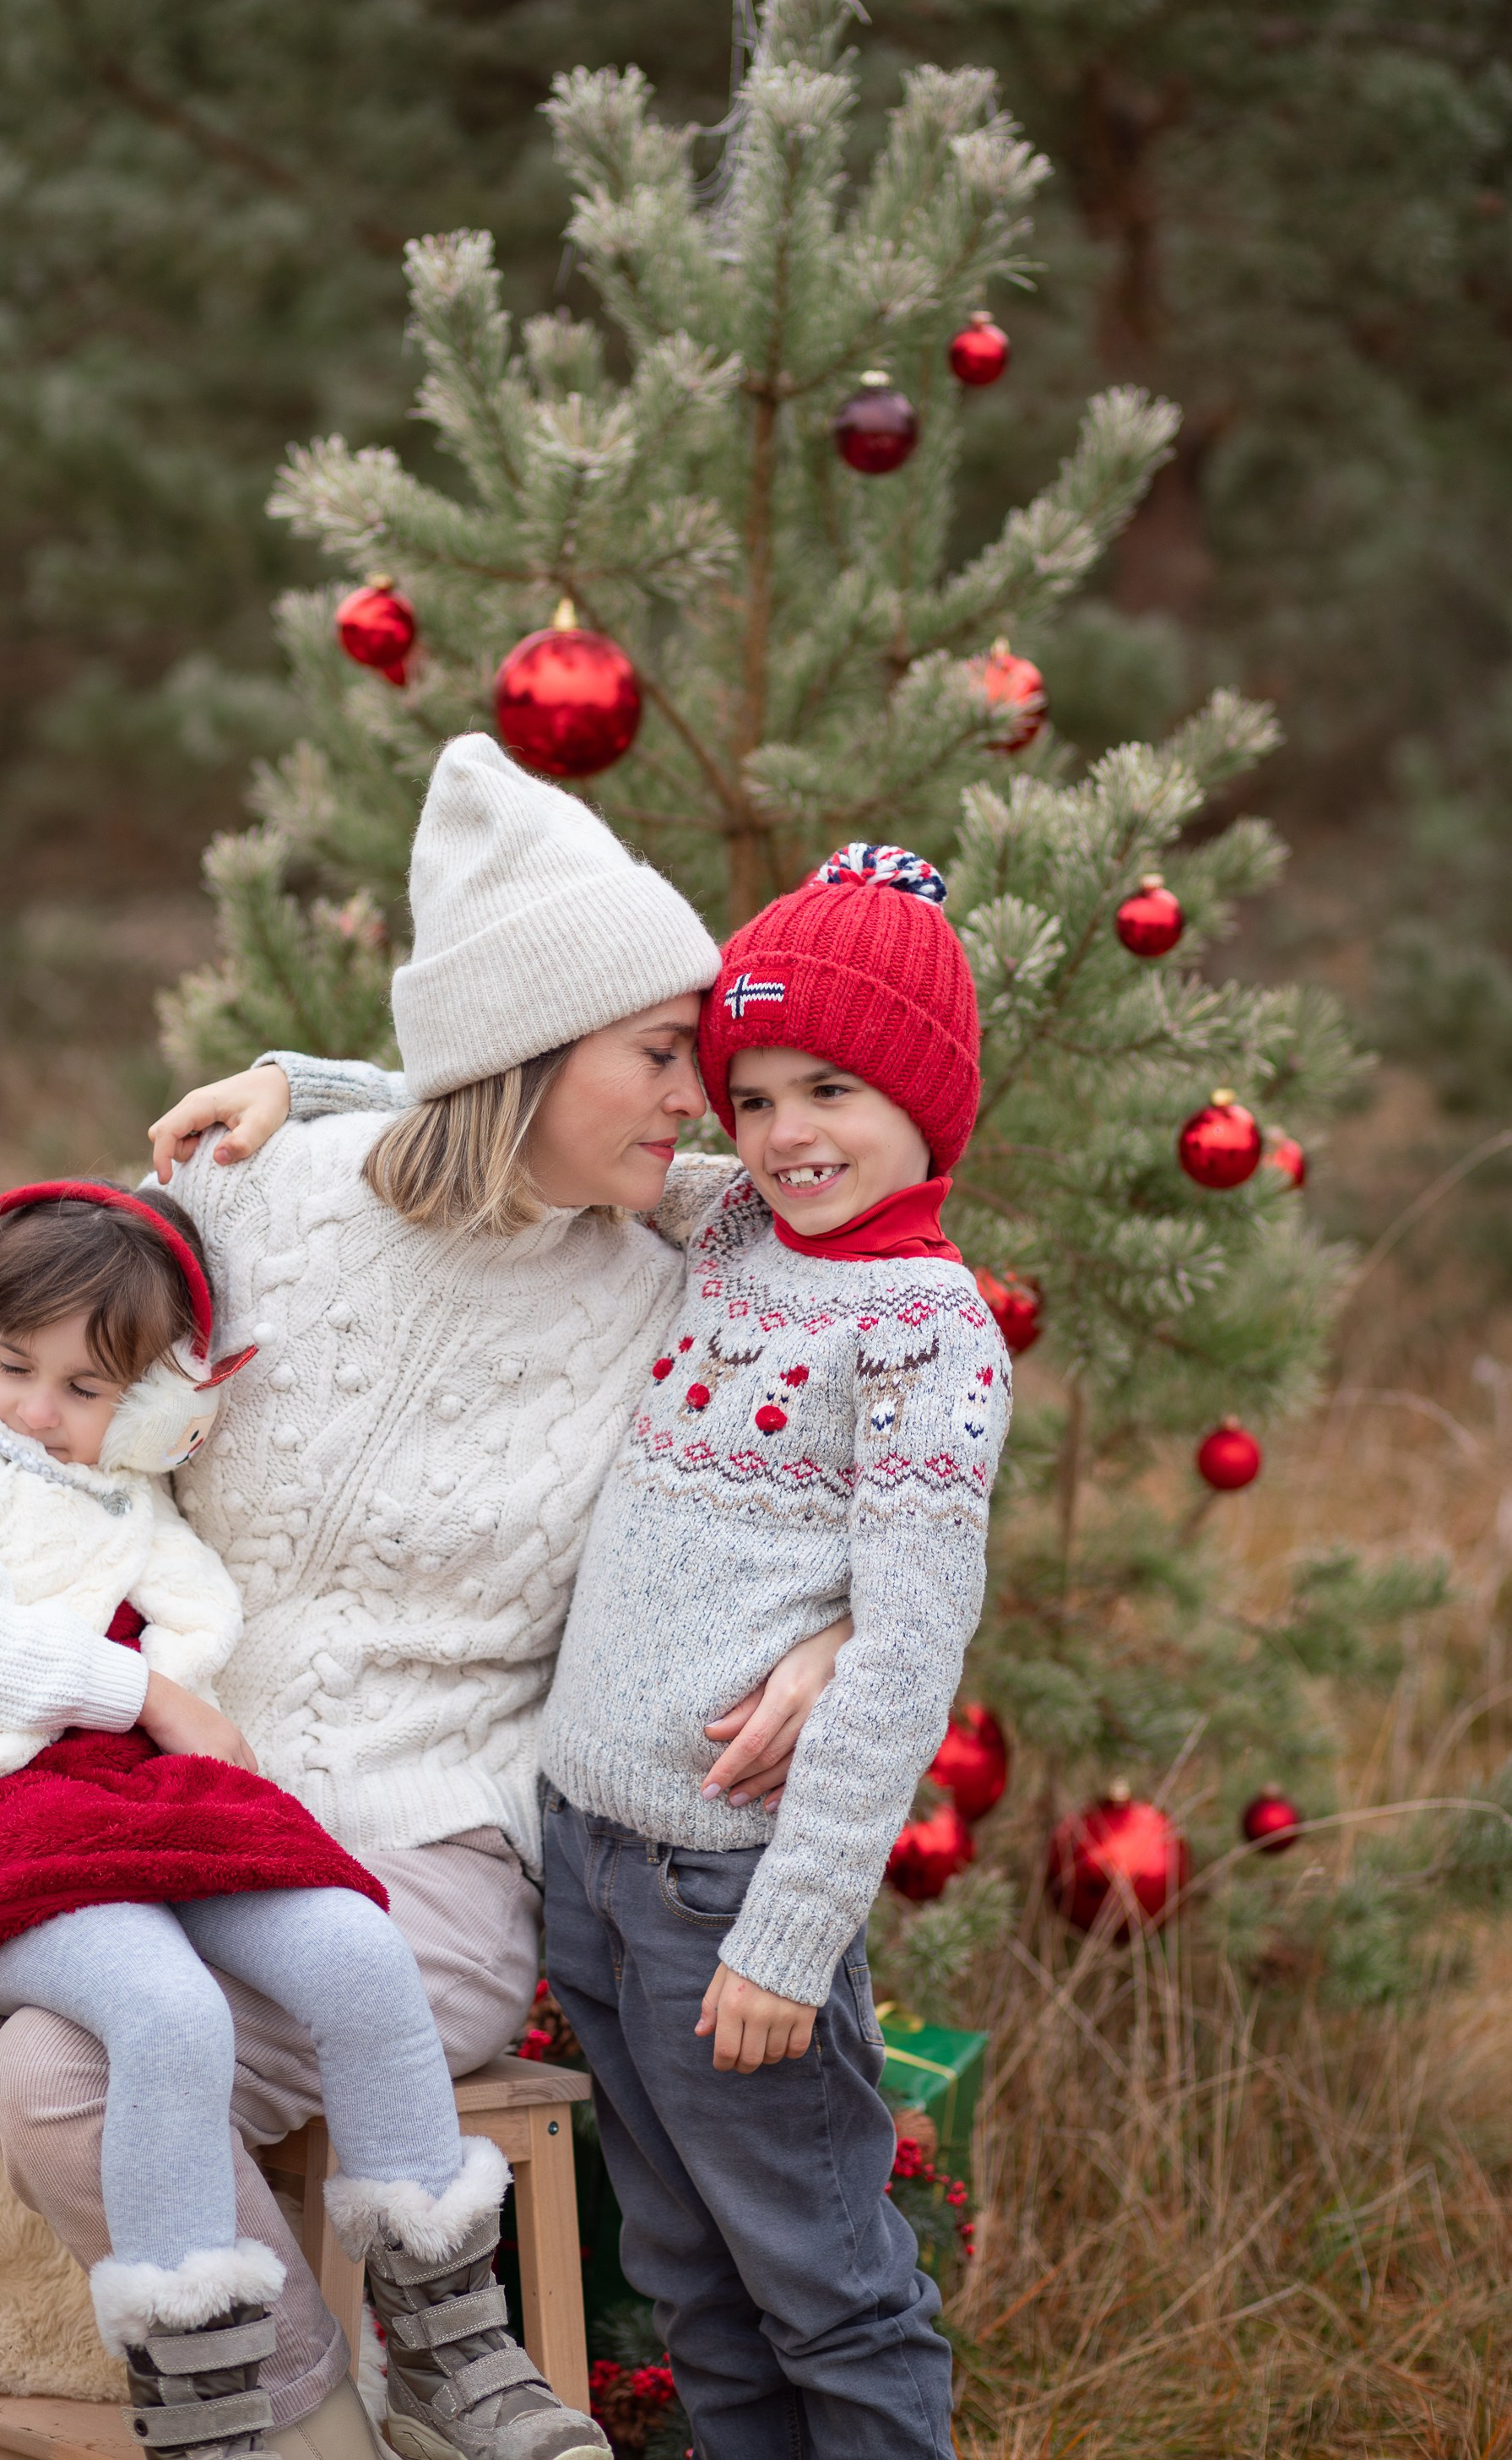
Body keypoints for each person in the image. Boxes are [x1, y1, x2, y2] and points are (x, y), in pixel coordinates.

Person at [0, 737, 845, 2460]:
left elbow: (886, 1308)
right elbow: (27, 1429)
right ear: (522, 1048)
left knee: (70, 2073)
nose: (695, 1095)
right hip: (103, 1808)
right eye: (654, 1052)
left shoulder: (674, 1295)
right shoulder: (244, 1209)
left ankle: (310, 2426)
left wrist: (841, 1632)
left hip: (414, 1850)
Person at [0, 1172, 560, 2460]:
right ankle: (210, 2401)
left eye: (86, 1392)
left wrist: (174, 1676)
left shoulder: (123, 1498)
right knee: (163, 2006)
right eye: (10, 1364)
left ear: (153, 1407)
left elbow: (196, 1614)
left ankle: (450, 2335)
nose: (36, 1412)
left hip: (101, 1813)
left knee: (355, 1948)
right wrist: (135, 1685)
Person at [537, 841, 1013, 2460]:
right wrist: (288, 1085)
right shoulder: (734, 1224)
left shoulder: (925, 1333)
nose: (784, 1134)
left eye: (831, 1089)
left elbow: (899, 1655)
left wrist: (790, 1937)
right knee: (686, 2270)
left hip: (727, 1887)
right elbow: (539, 1131)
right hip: (587, 1860)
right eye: (748, 1094)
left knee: (823, 2281)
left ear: (923, 1104)